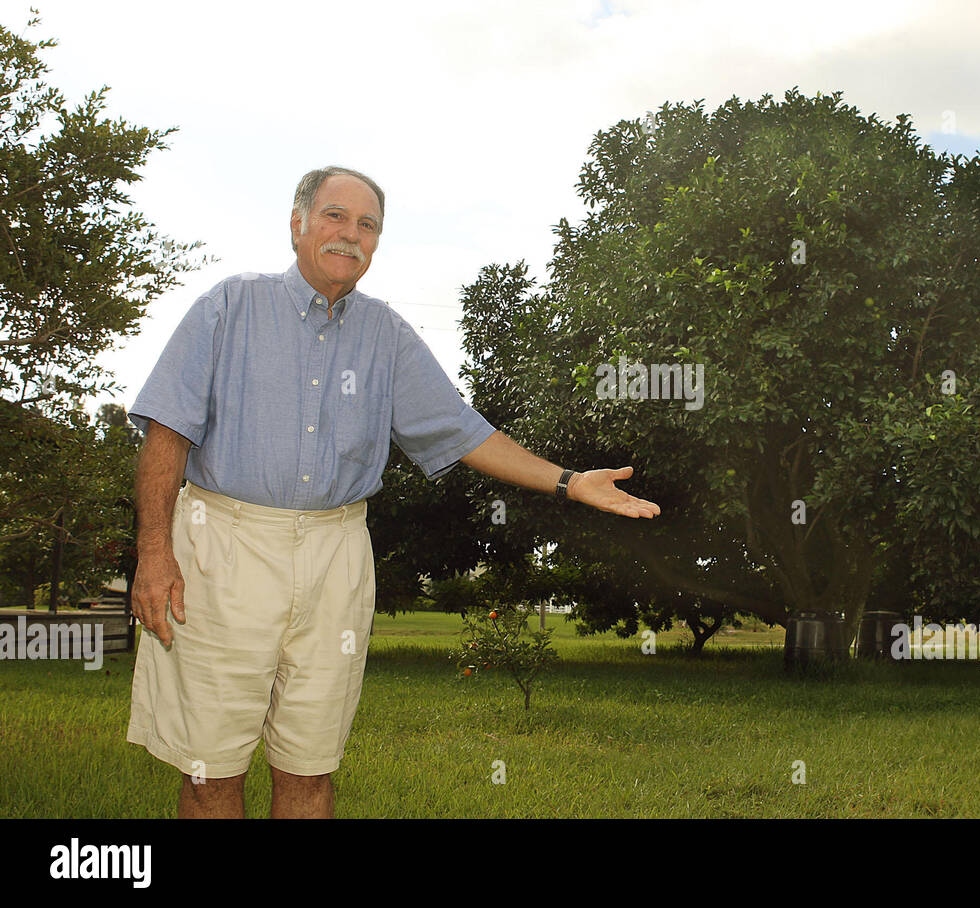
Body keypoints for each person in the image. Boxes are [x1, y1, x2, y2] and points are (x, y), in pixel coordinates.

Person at [125, 165, 659, 818]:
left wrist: (571, 483)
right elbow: (166, 435)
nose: (351, 235)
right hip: (222, 550)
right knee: (211, 773)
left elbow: (464, 432)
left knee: (309, 768)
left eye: (368, 225)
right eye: (335, 216)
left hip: (335, 557)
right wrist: (154, 553)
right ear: (297, 223)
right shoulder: (229, 306)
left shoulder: (386, 334)